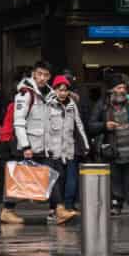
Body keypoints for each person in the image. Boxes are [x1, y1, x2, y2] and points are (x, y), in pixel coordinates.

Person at [0, 62, 54, 225]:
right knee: (17, 179)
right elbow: (19, 121)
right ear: (33, 74)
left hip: (42, 144)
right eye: (39, 74)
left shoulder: (49, 94)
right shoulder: (25, 94)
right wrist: (25, 146)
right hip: (28, 144)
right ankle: (7, 210)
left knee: (50, 175)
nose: (42, 78)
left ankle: (56, 209)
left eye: (45, 75)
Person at [89, 75, 129, 215]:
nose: (123, 90)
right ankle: (116, 204)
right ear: (111, 90)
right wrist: (105, 125)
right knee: (114, 180)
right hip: (112, 149)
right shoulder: (102, 105)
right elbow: (91, 125)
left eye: (124, 88)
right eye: (119, 87)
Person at [38, 74, 90, 223]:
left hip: (68, 148)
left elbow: (78, 125)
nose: (63, 93)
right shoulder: (47, 105)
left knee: (67, 180)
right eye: (60, 90)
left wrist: (85, 145)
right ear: (54, 90)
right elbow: (44, 128)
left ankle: (61, 210)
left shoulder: (72, 105)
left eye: (65, 90)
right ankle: (54, 211)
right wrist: (45, 148)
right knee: (56, 181)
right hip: (53, 150)